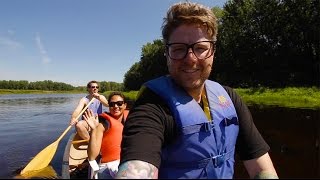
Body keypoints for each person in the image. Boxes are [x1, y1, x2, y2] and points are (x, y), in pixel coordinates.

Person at [115, 2, 278, 179]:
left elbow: (261, 168)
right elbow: (137, 164)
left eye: (200, 48)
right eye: (178, 49)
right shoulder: (151, 107)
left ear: (213, 51)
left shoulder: (230, 98)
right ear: (167, 54)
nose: (190, 59)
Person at [83, 91, 129, 179]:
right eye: (112, 104)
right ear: (109, 106)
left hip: (127, 161)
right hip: (109, 165)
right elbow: (92, 156)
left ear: (125, 105)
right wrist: (93, 130)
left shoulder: (131, 118)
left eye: (119, 103)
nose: (115, 106)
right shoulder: (103, 124)